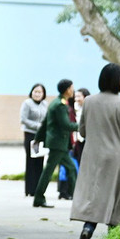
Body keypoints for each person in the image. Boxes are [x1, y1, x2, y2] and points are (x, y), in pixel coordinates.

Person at [70, 63, 120, 239]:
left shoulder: (89, 101)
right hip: (116, 159)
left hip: (92, 156)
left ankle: (88, 229)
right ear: (118, 81)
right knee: (116, 202)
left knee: (95, 197)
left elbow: (83, 131)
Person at [34, 79, 78, 208]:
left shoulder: (56, 103)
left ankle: (74, 196)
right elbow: (65, 124)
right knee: (49, 171)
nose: (73, 90)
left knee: (70, 168)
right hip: (58, 144)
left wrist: (38, 138)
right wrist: (82, 125)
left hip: (58, 144)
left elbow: (44, 123)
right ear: (67, 90)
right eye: (72, 88)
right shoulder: (59, 105)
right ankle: (38, 198)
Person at [19, 84, 48, 197]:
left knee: (40, 161)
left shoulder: (45, 104)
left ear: (43, 94)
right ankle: (30, 190)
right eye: (35, 91)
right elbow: (23, 119)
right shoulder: (27, 103)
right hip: (30, 135)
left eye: (40, 92)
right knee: (31, 162)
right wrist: (38, 126)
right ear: (31, 92)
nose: (37, 94)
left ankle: (38, 189)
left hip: (41, 136)